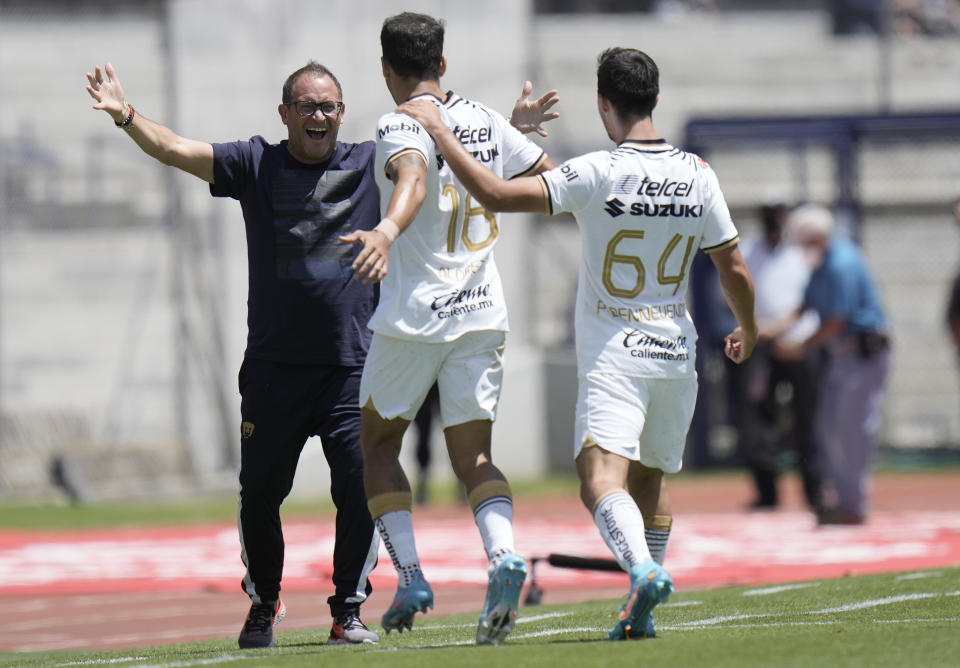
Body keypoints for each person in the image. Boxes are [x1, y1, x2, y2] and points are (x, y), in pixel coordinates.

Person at [400, 46, 757, 641]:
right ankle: (644, 597)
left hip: (617, 355)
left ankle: (642, 570)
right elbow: (735, 266)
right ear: (656, 101)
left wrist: (441, 130)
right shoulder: (699, 172)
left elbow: (494, 194)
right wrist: (748, 326)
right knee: (650, 483)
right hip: (676, 352)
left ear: (602, 104)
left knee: (598, 477)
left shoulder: (598, 171)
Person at [85, 60, 384, 649]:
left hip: (352, 367)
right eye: (306, 107)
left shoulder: (372, 163)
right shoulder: (256, 163)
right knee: (259, 494)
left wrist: (513, 131)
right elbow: (173, 148)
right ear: (285, 115)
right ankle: (264, 603)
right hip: (274, 371)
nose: (318, 116)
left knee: (359, 484)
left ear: (342, 113)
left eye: (327, 106)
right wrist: (125, 115)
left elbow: (446, 159)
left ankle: (347, 608)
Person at [339, 11, 558, 646]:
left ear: (386, 69)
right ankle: (503, 557)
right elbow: (544, 174)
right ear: (442, 63)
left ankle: (411, 576)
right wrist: (513, 135)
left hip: (414, 320)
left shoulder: (398, 120)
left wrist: (384, 230)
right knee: (475, 457)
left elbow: (410, 177)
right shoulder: (486, 118)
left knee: (378, 448)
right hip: (482, 312)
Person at [773, 204, 891, 525]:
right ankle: (841, 498)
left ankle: (853, 504)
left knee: (851, 430)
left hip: (860, 352)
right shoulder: (823, 263)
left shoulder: (841, 262)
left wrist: (799, 345)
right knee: (829, 428)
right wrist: (771, 328)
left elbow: (837, 319)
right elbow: (807, 304)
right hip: (840, 356)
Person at [736, 202, 822, 511]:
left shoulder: (802, 253)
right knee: (758, 419)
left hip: (800, 344)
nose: (773, 225)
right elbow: (731, 293)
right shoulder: (747, 251)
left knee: (808, 419)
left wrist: (782, 327)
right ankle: (767, 494)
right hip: (762, 346)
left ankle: (815, 493)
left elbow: (812, 298)